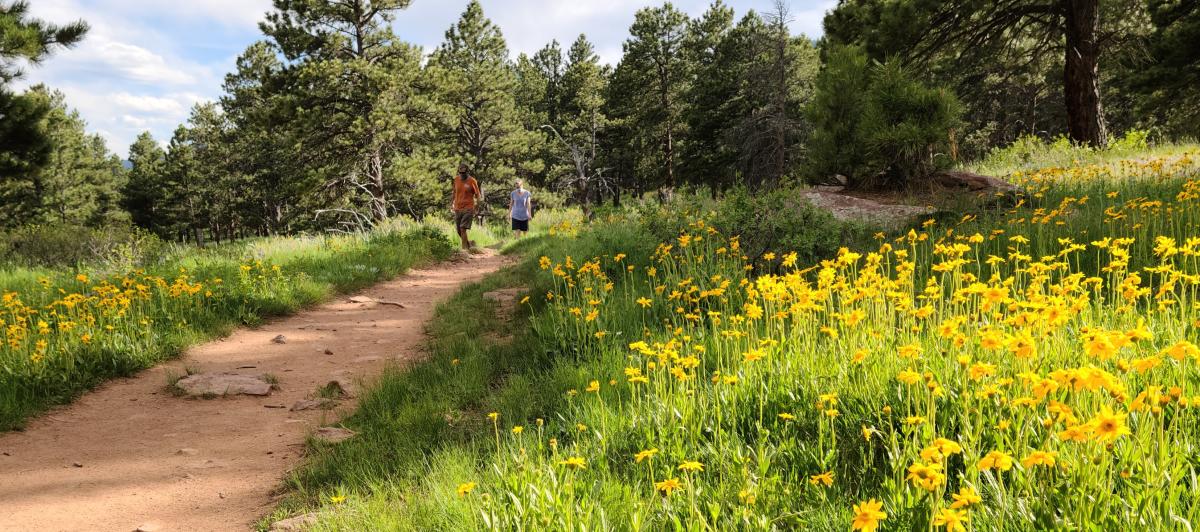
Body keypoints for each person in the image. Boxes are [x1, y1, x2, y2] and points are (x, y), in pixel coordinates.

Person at [451, 163, 481, 250]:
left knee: (463, 228)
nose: (462, 174)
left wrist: (477, 207)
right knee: (459, 230)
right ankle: (469, 244)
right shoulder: (456, 180)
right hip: (457, 208)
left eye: (464, 173)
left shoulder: (472, 181)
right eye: (460, 173)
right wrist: (451, 203)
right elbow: (454, 192)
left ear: (467, 172)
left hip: (468, 208)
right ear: (458, 172)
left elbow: (478, 195)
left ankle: (464, 250)